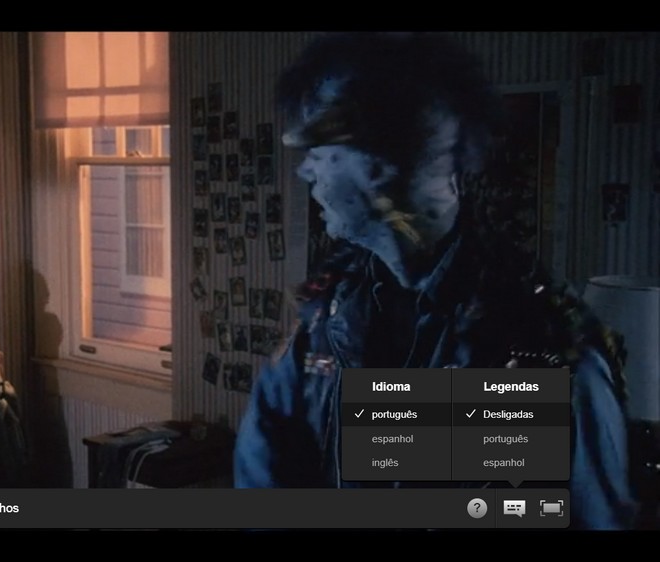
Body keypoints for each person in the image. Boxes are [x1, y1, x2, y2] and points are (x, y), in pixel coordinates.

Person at [233, 32, 636, 530]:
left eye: (320, 148)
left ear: (381, 158)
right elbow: (263, 482)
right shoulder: (321, 322)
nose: (306, 172)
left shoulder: (542, 345)